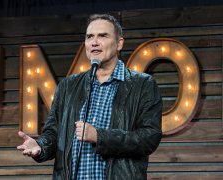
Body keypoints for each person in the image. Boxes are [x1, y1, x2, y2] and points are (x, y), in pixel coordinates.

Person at [17, 14, 162, 180]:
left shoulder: (142, 84)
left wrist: (100, 137)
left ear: (119, 43)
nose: (94, 42)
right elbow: (54, 132)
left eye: (102, 36)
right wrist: (40, 146)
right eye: (89, 36)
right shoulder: (68, 86)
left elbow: (149, 137)